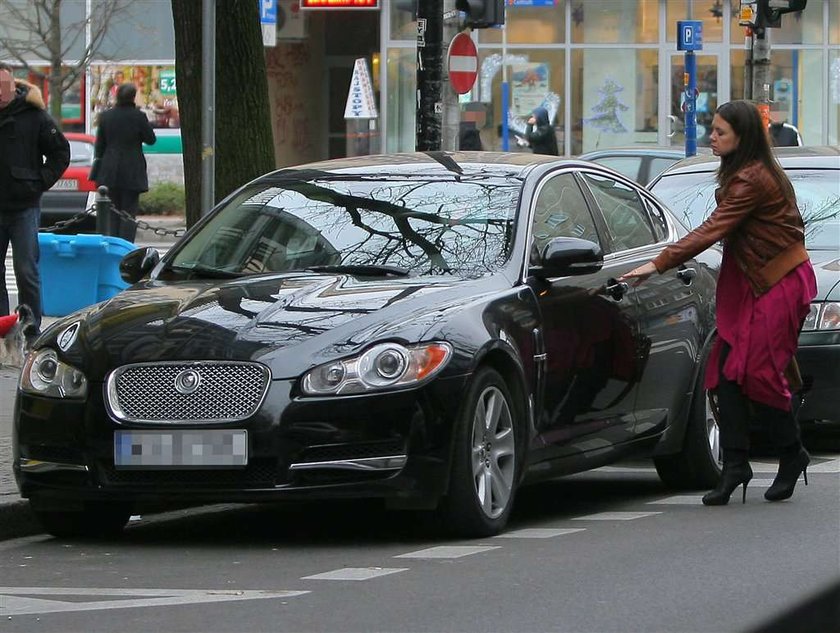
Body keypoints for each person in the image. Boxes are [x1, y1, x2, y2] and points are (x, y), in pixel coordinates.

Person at [620, 100, 817, 506]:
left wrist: (657, 263)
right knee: (725, 371)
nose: (711, 136)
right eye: (712, 129)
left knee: (760, 371)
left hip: (779, 279)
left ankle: (792, 451)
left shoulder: (753, 179)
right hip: (746, 280)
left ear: (742, 138)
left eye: (720, 132)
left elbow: (712, 230)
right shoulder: (738, 173)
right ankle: (736, 465)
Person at [0, 62, 70, 343]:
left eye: (3, 87)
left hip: (24, 207)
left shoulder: (34, 116)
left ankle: (31, 327)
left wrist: (39, 182)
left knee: (26, 270)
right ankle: (4, 331)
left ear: (13, 86)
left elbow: (60, 153)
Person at [90, 83, 157, 242]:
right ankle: (125, 247)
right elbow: (151, 140)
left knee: (111, 211)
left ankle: (112, 244)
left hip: (109, 168)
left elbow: (99, 146)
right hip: (132, 169)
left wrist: (99, 168)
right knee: (128, 213)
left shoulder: (106, 116)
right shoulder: (138, 116)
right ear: (133, 97)